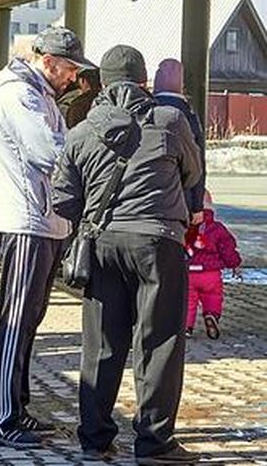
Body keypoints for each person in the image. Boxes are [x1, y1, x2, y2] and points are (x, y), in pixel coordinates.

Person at [52, 45, 202, 464]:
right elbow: (192, 172)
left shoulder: (81, 129)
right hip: (158, 242)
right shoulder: (171, 120)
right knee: (158, 343)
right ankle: (154, 443)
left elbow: (63, 198)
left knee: (101, 344)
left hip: (101, 245)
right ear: (142, 82)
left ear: (103, 83)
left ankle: (95, 437)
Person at [0, 27, 92, 447]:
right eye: (68, 70)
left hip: (43, 219)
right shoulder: (19, 95)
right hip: (26, 220)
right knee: (15, 322)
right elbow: (50, 152)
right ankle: (3, 416)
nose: (72, 79)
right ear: (48, 62)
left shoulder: (39, 93)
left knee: (29, 320)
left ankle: (17, 407)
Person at [154, 58, 207, 226]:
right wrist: (197, 205)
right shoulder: (189, 115)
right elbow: (198, 163)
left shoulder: (145, 108)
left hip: (150, 196)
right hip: (181, 198)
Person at [185, 191, 241, 340]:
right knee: (213, 296)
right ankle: (211, 315)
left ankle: (187, 327)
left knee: (188, 301)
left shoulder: (184, 227)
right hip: (211, 274)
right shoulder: (217, 228)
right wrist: (234, 264)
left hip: (188, 273)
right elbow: (227, 249)